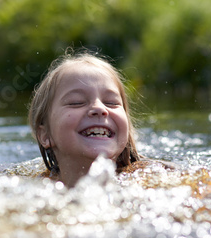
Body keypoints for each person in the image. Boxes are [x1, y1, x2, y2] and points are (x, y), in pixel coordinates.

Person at [28, 48, 143, 187]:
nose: (100, 108)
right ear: (45, 134)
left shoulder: (152, 181)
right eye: (76, 102)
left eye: (111, 103)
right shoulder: (31, 191)